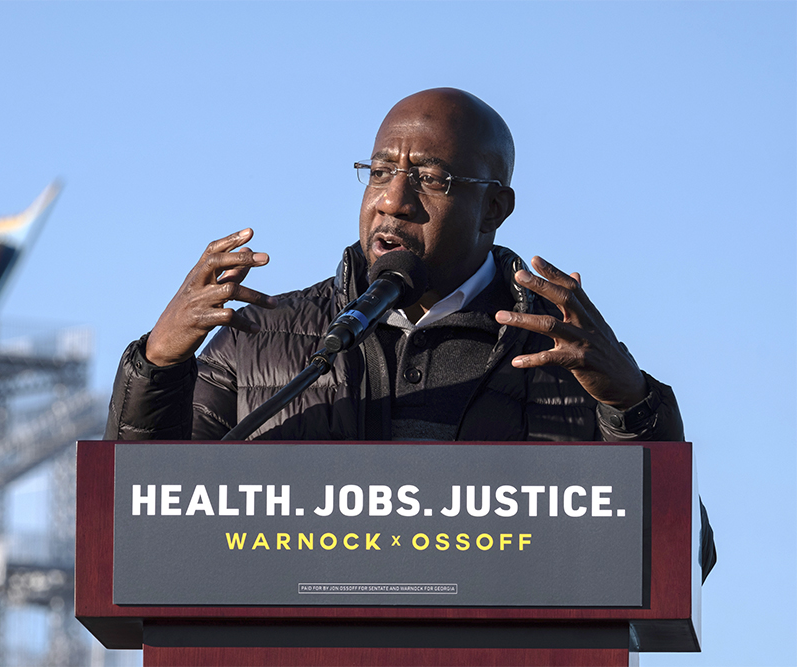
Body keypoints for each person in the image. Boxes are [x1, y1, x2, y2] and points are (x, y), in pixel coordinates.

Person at [103, 88, 714, 576]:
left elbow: (680, 560)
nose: (393, 199)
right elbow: (137, 538)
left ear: (495, 209)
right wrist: (157, 365)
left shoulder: (563, 356)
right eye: (379, 171)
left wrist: (631, 405)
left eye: (430, 178)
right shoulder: (258, 334)